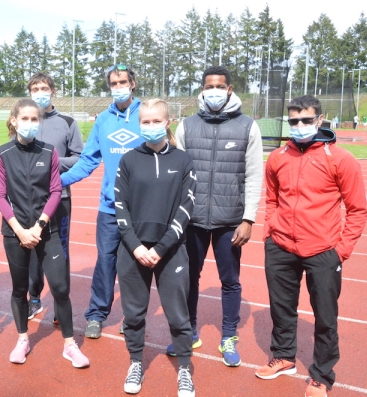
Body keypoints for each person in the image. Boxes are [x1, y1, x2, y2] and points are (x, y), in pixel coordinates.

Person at [255, 95, 367, 397]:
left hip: (323, 250)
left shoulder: (340, 159)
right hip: (280, 247)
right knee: (281, 308)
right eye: (294, 121)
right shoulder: (278, 157)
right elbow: (273, 199)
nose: (300, 126)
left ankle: (321, 374)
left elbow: (357, 210)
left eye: (306, 120)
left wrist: (340, 251)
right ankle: (284, 357)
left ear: (319, 120)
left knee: (325, 316)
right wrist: (270, 234)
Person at [166, 66, 263, 367]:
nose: (214, 91)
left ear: (230, 89)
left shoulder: (248, 127)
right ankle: (189, 331)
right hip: (192, 219)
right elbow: (177, 172)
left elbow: (254, 175)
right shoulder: (187, 126)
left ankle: (229, 336)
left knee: (230, 280)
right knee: (188, 278)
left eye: (220, 86)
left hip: (230, 220)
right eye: (209, 86)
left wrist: (248, 218)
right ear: (202, 89)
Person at [0, 99, 89, 368]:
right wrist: (20, 230)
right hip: (15, 233)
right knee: (20, 288)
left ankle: (70, 345)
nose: (31, 124)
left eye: (35, 119)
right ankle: (23, 339)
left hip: (46, 230)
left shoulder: (49, 152)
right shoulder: (2, 153)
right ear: (13, 120)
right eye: (25, 119)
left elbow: (56, 190)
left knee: (60, 287)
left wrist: (39, 225)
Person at [115, 99, 196, 396]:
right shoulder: (128, 160)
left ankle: (185, 368)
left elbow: (185, 209)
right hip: (133, 251)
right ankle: (136, 361)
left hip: (171, 250)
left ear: (168, 121)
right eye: (145, 122)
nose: (150, 127)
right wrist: (136, 247)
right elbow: (119, 207)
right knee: (134, 314)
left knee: (178, 314)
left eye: (155, 121)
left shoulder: (183, 161)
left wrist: (161, 248)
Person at [61, 64, 143, 339]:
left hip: (140, 210)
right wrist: (58, 182)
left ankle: (131, 317)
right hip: (109, 208)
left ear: (133, 83)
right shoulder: (103, 120)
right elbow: (87, 161)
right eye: (113, 83)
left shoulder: (146, 116)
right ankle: (96, 314)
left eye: (122, 81)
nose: (118, 87)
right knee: (105, 262)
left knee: (134, 264)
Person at [25, 72, 84, 321]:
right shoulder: (24, 120)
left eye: (44, 87)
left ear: (53, 91)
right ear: (30, 92)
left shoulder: (67, 122)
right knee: (31, 250)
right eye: (36, 88)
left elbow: (79, 157)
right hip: (28, 200)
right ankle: (34, 299)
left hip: (60, 198)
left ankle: (61, 304)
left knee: (60, 252)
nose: (40, 92)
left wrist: (52, 163)